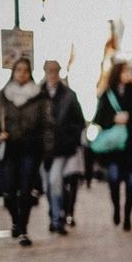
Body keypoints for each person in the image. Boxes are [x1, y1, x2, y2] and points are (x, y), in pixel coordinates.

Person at [0, 57, 54, 246]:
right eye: (18, 70)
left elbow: (48, 125)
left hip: (31, 148)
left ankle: (23, 229)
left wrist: (47, 149)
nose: (22, 73)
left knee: (25, 191)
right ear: (13, 72)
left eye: (25, 70)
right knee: (7, 191)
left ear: (29, 73)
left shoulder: (40, 97)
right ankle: (15, 220)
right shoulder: (2, 96)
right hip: (9, 149)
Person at [92, 61, 132, 231]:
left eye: (129, 71)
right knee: (114, 180)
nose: (128, 74)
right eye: (124, 71)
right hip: (114, 149)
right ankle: (116, 208)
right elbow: (98, 119)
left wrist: (129, 118)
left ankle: (127, 216)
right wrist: (113, 120)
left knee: (131, 183)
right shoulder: (107, 94)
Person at [40, 60, 85, 235]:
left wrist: (70, 139)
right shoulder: (37, 93)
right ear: (44, 72)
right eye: (49, 71)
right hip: (42, 149)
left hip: (61, 149)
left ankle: (57, 220)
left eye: (54, 71)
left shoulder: (69, 95)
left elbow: (79, 122)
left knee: (55, 182)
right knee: (47, 186)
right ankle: (53, 213)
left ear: (58, 72)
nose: (52, 74)